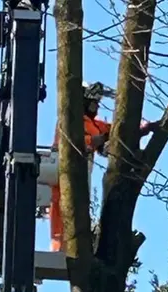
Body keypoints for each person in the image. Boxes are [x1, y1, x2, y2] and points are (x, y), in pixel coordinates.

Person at [48, 81, 152, 252]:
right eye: (94, 103)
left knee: (75, 211)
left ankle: (71, 249)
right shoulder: (72, 121)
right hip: (63, 169)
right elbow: (83, 143)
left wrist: (140, 129)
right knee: (61, 213)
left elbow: (116, 130)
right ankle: (60, 250)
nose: (96, 107)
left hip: (79, 175)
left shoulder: (93, 123)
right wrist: (103, 139)